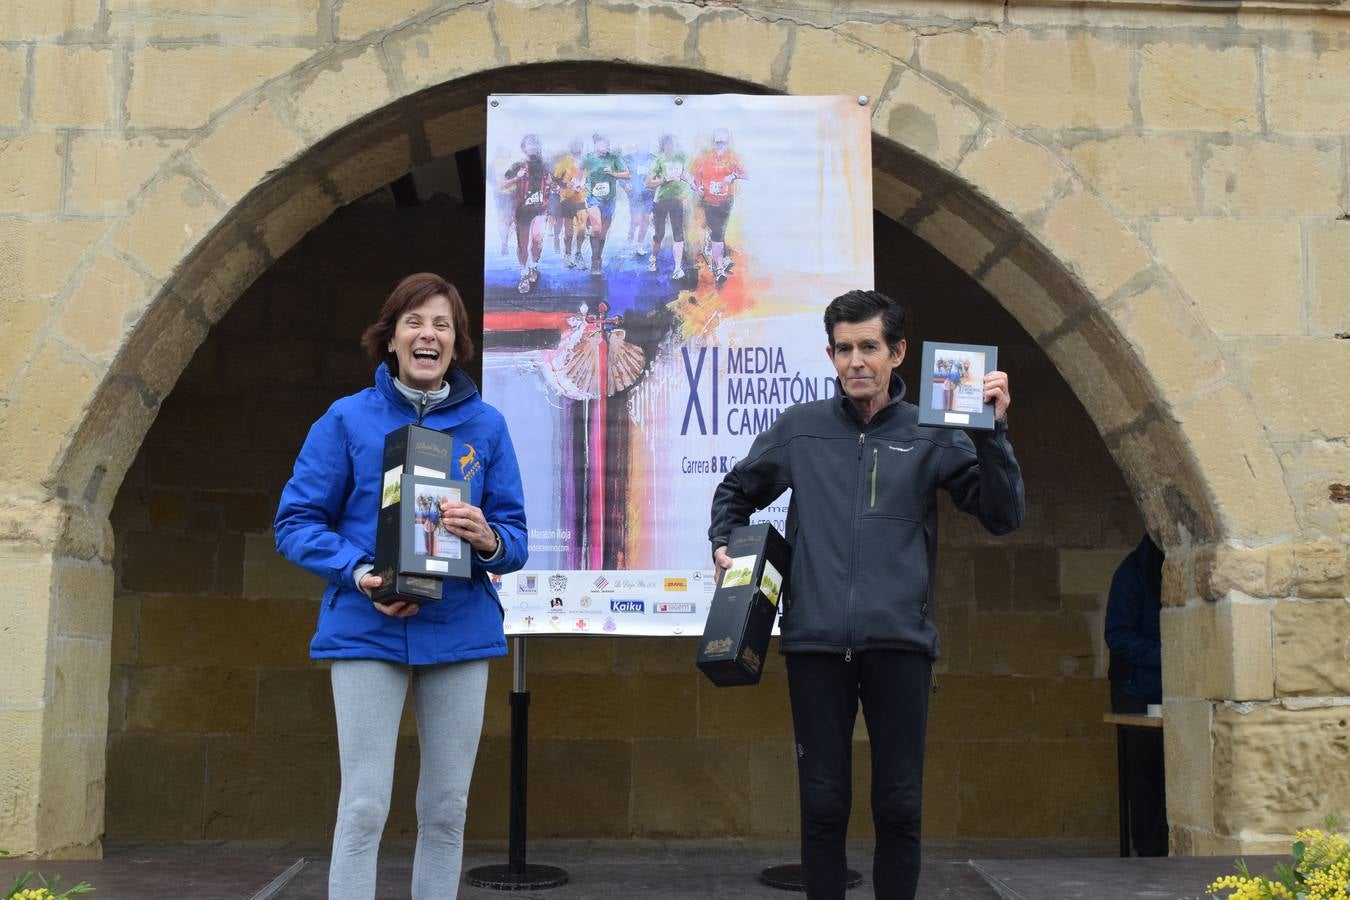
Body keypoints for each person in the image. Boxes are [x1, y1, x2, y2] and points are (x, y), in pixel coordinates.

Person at [708, 290, 1024, 900]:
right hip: (816, 645)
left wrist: (994, 432)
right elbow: (734, 491)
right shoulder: (801, 429)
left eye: (869, 348)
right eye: (844, 349)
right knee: (823, 805)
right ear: (830, 354)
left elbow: (1002, 514)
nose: (856, 361)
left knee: (900, 805)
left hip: (900, 645)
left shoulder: (935, 429)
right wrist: (725, 543)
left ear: (897, 353)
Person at [274, 273, 528, 900]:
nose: (428, 334)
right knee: (363, 805)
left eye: (442, 324)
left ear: (456, 344)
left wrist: (487, 537)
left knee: (446, 809)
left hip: (460, 630)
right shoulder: (345, 419)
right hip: (366, 628)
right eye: (414, 322)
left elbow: (516, 538)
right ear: (390, 339)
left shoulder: (487, 427)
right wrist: (362, 573)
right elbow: (296, 522)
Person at [1105, 534, 1168, 857]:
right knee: (1145, 782)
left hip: (1174, 693)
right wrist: (1169, 654)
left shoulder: (1171, 566)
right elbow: (1118, 635)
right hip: (1137, 691)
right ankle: (1150, 855)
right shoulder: (1134, 572)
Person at [691, 127, 746, 284]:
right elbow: (695, 179)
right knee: (717, 235)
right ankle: (719, 269)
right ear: (712, 143)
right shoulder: (704, 159)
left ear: (728, 143)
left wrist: (733, 176)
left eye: (723, 142)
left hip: (727, 202)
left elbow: (747, 174)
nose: (720, 145)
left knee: (720, 233)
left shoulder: (734, 159)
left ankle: (716, 254)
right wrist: (698, 187)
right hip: (709, 202)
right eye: (717, 142)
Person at [503, 134, 551, 294]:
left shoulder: (545, 165)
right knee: (522, 245)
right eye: (528, 144)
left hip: (540, 209)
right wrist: (516, 178)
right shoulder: (517, 165)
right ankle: (524, 274)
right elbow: (503, 184)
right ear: (523, 148)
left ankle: (534, 267)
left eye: (534, 144)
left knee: (537, 238)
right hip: (522, 211)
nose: (532, 147)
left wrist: (554, 185)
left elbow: (554, 182)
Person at [581, 132, 630, 276]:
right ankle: (594, 261)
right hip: (593, 198)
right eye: (600, 144)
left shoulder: (614, 158)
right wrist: (578, 183)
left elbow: (627, 174)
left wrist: (613, 173)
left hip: (609, 200)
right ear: (595, 145)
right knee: (596, 229)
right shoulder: (588, 159)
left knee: (602, 234)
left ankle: (597, 258)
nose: (604, 147)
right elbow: (579, 174)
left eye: (606, 144)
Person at [647, 133, 694, 280]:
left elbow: (684, 174)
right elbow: (648, 183)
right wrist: (665, 179)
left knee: (678, 234)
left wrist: (692, 184)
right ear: (663, 146)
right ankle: (653, 258)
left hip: (677, 200)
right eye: (669, 144)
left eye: (674, 144)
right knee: (659, 234)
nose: (672, 147)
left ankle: (678, 268)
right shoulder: (658, 161)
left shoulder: (681, 158)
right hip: (660, 201)